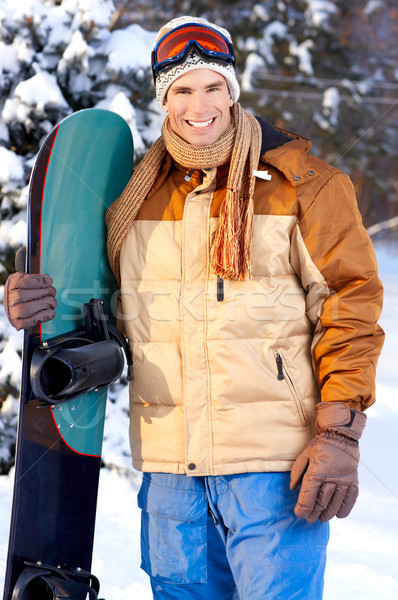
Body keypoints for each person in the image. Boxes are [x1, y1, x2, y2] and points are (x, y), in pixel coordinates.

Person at [4, 16, 385, 600]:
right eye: (182, 89)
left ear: (232, 92)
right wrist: (39, 302)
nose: (198, 104)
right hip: (170, 479)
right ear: (164, 99)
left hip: (273, 471)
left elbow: (349, 306)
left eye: (213, 86)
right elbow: (105, 312)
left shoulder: (305, 185)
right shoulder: (133, 199)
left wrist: (340, 435)